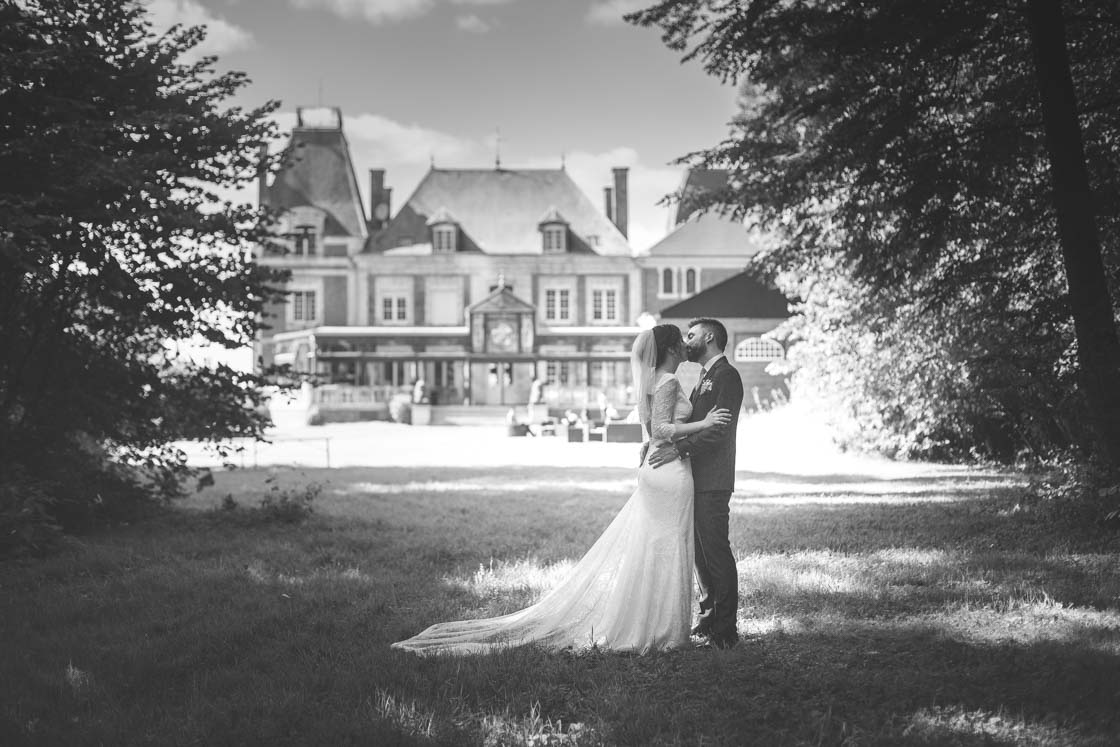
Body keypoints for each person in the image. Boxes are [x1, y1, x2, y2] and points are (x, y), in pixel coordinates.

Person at [391, 324, 731, 656]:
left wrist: (652, 445)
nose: (687, 344)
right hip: (669, 470)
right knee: (669, 545)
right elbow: (660, 428)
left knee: (654, 547)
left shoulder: (653, 380)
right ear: (671, 349)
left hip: (656, 468)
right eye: (683, 340)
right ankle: (665, 631)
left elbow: (650, 429)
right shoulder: (669, 379)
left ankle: (652, 624)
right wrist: (703, 423)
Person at [648, 318, 745, 649]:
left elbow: (719, 430)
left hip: (714, 478)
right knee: (700, 554)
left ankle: (726, 628)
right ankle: (708, 617)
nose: (686, 342)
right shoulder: (703, 376)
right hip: (693, 477)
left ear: (710, 337)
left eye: (692, 335)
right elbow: (687, 420)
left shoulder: (727, 376)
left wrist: (678, 449)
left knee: (715, 550)